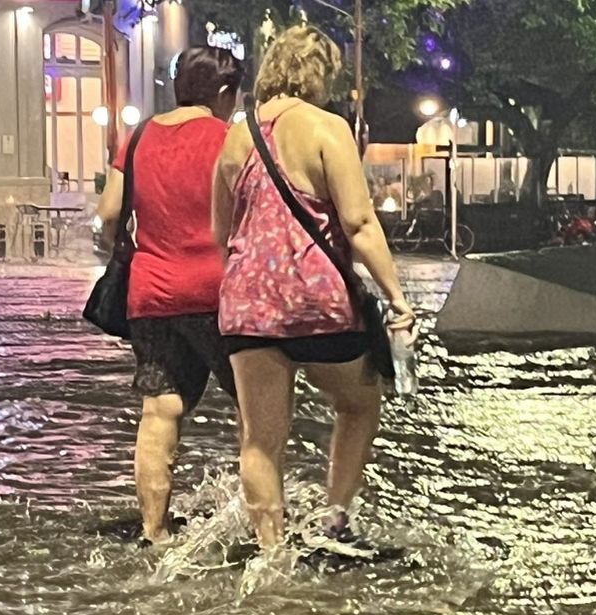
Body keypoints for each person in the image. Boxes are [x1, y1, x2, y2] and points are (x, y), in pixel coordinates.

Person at [212, 25, 416, 548]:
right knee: (359, 403)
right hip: (318, 304)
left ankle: (271, 552)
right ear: (320, 73)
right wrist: (396, 298)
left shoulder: (238, 135)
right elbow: (360, 225)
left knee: (260, 440)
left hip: (248, 307)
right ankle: (334, 517)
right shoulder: (328, 130)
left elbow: (220, 231)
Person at [96, 46, 245, 546]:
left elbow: (110, 211)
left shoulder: (137, 139)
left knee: (159, 410)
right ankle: (265, 524)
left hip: (151, 296)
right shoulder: (230, 140)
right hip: (217, 295)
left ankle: (153, 531)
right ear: (224, 94)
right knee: (256, 407)